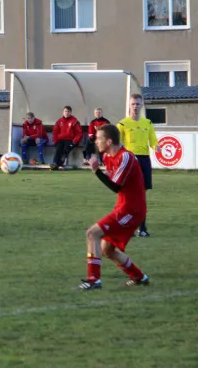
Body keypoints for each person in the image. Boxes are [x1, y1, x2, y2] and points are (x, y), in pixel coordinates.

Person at [78, 124, 150, 290]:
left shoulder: (126, 157)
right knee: (107, 249)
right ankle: (140, 277)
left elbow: (115, 187)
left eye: (99, 138)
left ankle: (94, 280)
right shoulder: (109, 157)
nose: (96, 141)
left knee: (92, 233)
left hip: (132, 210)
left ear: (109, 141)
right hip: (124, 207)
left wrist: (97, 172)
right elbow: (114, 181)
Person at [117, 94, 161, 237]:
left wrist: (156, 147)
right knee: (128, 195)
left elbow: (153, 140)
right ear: (129, 105)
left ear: (142, 105)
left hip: (144, 160)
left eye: (137, 104)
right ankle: (126, 227)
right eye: (133, 104)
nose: (135, 106)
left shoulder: (147, 123)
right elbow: (118, 144)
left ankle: (142, 228)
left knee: (142, 195)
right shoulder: (122, 124)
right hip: (130, 160)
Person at [50, 106, 83, 170]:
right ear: (63, 112)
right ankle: (55, 163)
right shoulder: (59, 121)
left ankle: (58, 164)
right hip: (61, 140)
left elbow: (79, 133)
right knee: (58, 148)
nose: (66, 113)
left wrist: (74, 142)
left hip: (71, 140)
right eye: (65, 111)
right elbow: (55, 132)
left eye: (68, 111)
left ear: (71, 112)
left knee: (65, 149)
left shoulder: (74, 121)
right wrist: (55, 141)